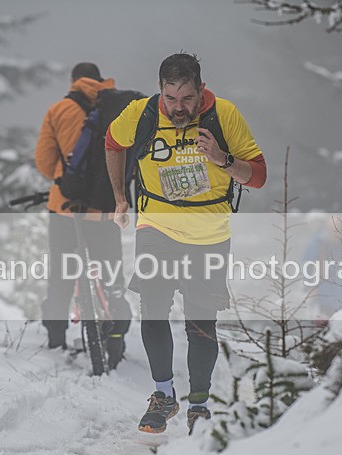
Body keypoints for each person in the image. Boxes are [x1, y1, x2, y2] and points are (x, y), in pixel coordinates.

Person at [105, 53, 266, 434]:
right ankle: (163, 396)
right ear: (161, 89)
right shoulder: (142, 113)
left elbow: (257, 176)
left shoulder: (224, 115)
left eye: (187, 99)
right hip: (156, 226)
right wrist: (120, 197)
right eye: (171, 99)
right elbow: (113, 142)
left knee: (201, 323)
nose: (179, 108)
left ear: (200, 89)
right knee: (154, 308)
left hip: (209, 233)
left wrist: (223, 159)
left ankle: (199, 405)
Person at [35, 62, 130, 362]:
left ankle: (55, 340)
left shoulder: (59, 110)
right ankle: (115, 341)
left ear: (74, 81)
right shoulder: (120, 109)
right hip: (106, 209)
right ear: (100, 80)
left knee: (61, 277)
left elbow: (45, 164)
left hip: (65, 209)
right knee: (112, 278)